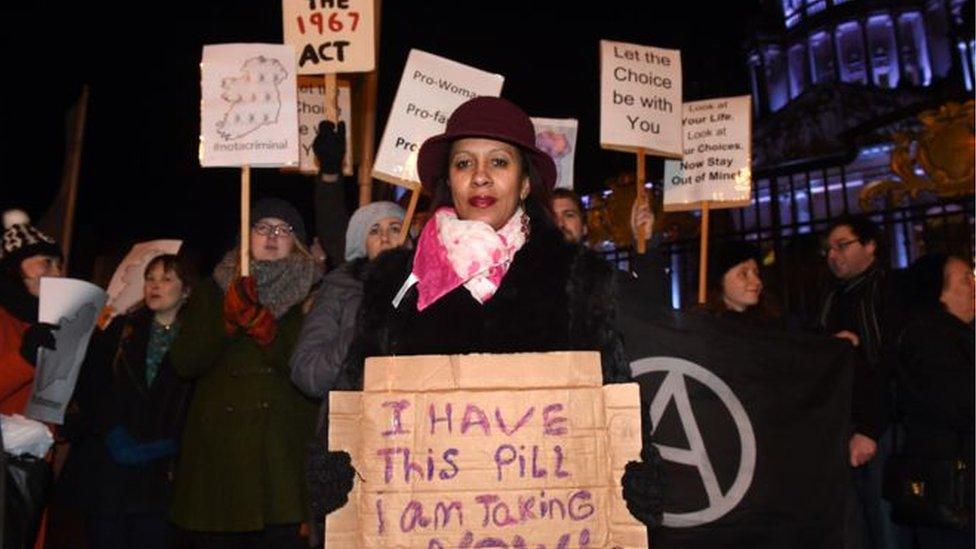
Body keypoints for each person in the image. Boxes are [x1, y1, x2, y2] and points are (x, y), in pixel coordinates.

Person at [308, 96, 662, 529]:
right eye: (463, 164)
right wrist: (333, 458)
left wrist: (639, 461)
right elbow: (352, 392)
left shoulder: (578, 278)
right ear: (449, 182)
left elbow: (616, 388)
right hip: (427, 527)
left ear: (526, 184)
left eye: (498, 162)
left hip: (548, 525)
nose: (479, 176)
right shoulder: (395, 283)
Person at [168, 198, 318, 548]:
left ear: (295, 241)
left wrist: (265, 329)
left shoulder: (313, 292)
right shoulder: (214, 289)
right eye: (261, 227)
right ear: (245, 236)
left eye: (283, 229)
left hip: (281, 457)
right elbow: (185, 361)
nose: (271, 235)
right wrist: (225, 323)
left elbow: (308, 371)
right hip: (219, 458)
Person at [59, 254, 196, 548]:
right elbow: (93, 385)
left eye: (166, 278)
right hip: (112, 467)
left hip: (162, 474)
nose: (155, 286)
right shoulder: (122, 329)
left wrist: (173, 442)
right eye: (150, 278)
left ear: (186, 289)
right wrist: (112, 431)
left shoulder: (196, 339)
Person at [290, 201, 405, 542]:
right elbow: (307, 373)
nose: (385, 236)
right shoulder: (340, 290)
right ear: (361, 245)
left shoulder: (430, 289)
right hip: (350, 445)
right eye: (374, 230)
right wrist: (361, 322)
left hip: (411, 445)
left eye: (395, 228)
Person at [817, 215, 902, 549]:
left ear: (870, 246)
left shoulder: (888, 291)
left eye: (842, 245)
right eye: (828, 249)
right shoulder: (830, 298)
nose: (833, 256)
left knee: (884, 523)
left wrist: (869, 429)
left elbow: (890, 364)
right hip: (841, 425)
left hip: (879, 427)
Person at [889, 253, 974, 547]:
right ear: (939, 291)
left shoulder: (955, 334)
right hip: (952, 489)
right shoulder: (930, 338)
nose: (974, 286)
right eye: (966, 279)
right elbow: (960, 401)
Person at [0, 209, 64, 414]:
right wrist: (24, 358)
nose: (57, 274)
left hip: (38, 442)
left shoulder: (51, 317)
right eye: (46, 263)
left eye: (58, 265)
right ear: (14, 269)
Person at [703, 241, 773, 320]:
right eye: (744, 274)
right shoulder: (700, 328)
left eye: (756, 273)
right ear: (720, 281)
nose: (758, 281)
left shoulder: (773, 324)